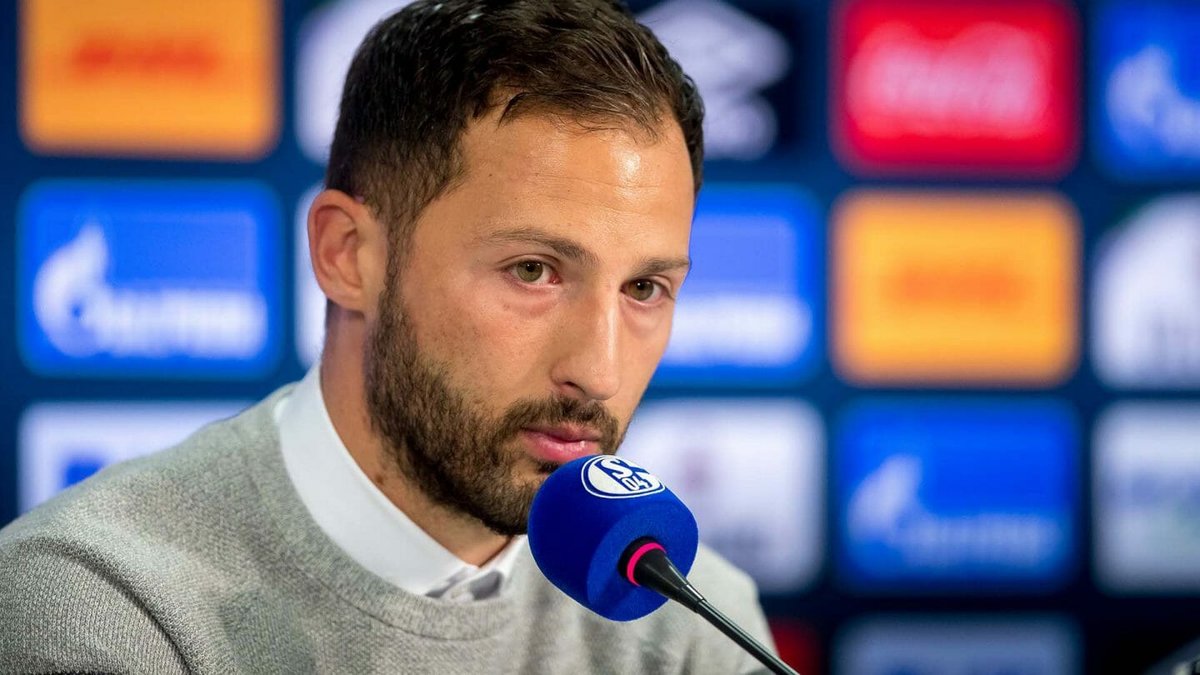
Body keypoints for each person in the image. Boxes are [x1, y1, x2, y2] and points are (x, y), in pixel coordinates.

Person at [0, 1, 776, 672]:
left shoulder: (687, 617)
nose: (599, 371)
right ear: (349, 256)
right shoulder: (100, 604)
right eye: (533, 270)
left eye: (644, 289)